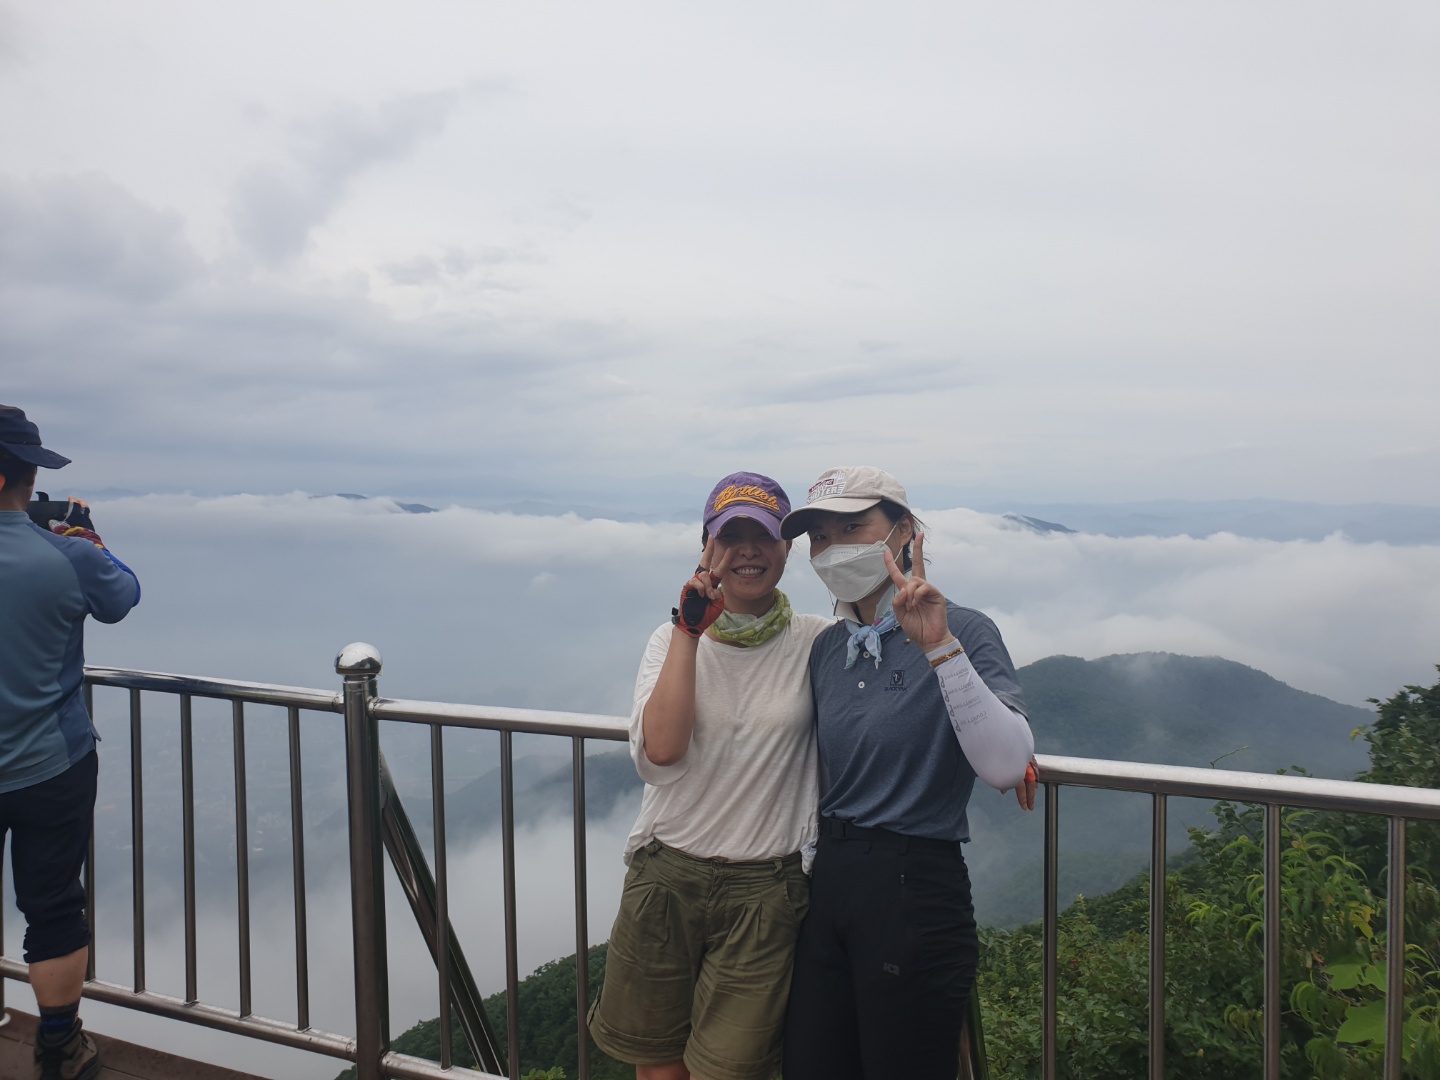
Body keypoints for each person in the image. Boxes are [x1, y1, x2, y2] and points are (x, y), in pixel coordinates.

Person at [779, 465, 1036, 1080]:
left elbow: (1005, 765)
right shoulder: (828, 648)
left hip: (913, 883)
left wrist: (939, 647)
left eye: (852, 527)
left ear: (905, 533)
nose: (833, 547)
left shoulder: (963, 628)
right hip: (829, 885)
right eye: (820, 536)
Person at [589, 472, 834, 1080]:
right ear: (707, 548)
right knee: (658, 1066)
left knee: (730, 1070)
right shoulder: (671, 639)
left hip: (766, 889)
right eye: (730, 537)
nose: (748, 551)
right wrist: (689, 630)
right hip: (667, 873)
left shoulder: (817, 642)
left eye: (764, 536)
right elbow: (662, 752)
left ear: (787, 548)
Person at [0, 405, 140, 1080]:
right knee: (53, 906)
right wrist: (89, 539)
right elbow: (122, 598)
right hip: (49, 764)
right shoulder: (70, 556)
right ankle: (58, 1045)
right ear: (23, 478)